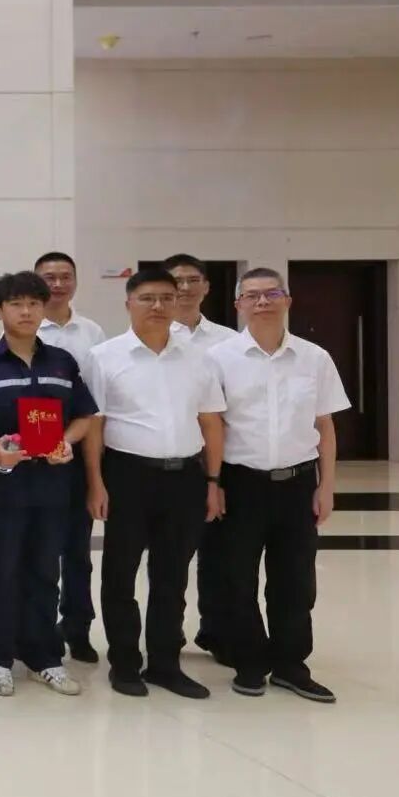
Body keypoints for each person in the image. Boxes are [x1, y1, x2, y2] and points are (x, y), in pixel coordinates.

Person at [82, 266, 226, 699]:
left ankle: (165, 663)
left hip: (185, 478)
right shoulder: (104, 356)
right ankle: (125, 662)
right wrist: (96, 483)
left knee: (172, 576)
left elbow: (211, 422)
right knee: (120, 573)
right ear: (128, 303)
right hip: (127, 476)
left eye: (167, 297)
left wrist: (213, 481)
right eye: (147, 298)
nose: (158, 305)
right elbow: (94, 426)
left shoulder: (199, 358)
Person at [0, 271, 98, 696]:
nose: (26, 311)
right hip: (0, 487)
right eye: (16, 304)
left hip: (52, 486)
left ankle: (43, 657)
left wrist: (66, 442)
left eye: (34, 303)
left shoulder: (62, 362)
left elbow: (83, 415)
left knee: (44, 571)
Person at [209, 268, 349, 703]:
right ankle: (250, 662)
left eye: (272, 294)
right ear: (238, 305)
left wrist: (326, 486)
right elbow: (212, 426)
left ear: (288, 300)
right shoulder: (219, 358)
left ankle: (291, 665)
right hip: (240, 483)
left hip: (297, 483)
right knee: (237, 578)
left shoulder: (314, 358)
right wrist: (214, 483)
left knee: (295, 581)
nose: (263, 302)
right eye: (252, 295)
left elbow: (325, 427)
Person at [162, 252, 238, 660]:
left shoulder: (229, 341)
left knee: (220, 554)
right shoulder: (154, 335)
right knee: (172, 557)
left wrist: (217, 475)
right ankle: (167, 636)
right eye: (178, 281)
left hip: (222, 458)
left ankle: (217, 631)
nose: (186, 288)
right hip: (175, 457)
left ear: (207, 287)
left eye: (194, 280)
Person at [34, 249, 105, 665]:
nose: (58, 284)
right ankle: (36, 629)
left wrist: (95, 470)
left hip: (77, 450)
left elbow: (94, 407)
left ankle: (77, 627)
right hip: (28, 453)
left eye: (65, 276)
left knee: (77, 550)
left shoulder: (93, 334)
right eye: (49, 277)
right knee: (38, 550)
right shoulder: (23, 326)